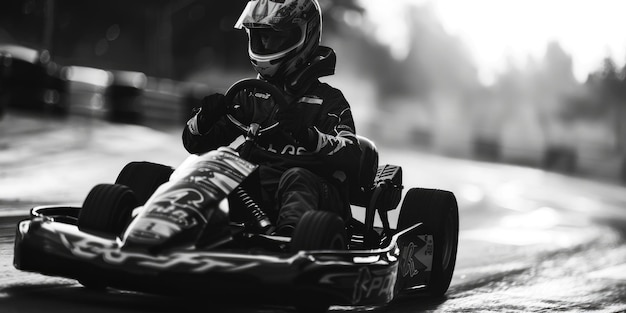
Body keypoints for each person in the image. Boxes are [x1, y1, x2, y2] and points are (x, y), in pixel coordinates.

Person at [182, 0, 361, 236]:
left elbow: (351, 154)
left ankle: (288, 240)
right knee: (221, 162)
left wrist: (306, 134)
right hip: (258, 195)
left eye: (275, 37)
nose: (266, 43)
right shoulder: (250, 95)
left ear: (303, 37)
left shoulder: (328, 101)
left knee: (296, 178)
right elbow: (194, 144)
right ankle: (181, 223)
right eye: (260, 37)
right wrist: (204, 119)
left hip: (316, 196)